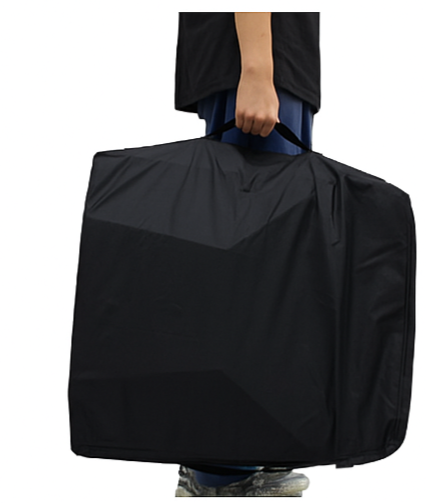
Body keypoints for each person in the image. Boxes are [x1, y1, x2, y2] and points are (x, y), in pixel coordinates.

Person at [173, 12, 320, 497]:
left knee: (266, 269)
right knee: (250, 273)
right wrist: (257, 68)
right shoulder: (258, 68)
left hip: (267, 65)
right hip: (257, 64)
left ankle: (244, 449)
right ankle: (221, 470)